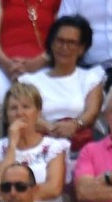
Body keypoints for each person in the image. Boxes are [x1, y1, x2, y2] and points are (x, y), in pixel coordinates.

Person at [0, 82, 68, 202]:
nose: (19, 113)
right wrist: (12, 145)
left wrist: (10, 195)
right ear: (6, 115)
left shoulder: (54, 147)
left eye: (26, 107)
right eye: (13, 108)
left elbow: (53, 189)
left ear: (38, 112)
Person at [19, 16, 106, 146]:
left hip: (83, 143)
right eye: (60, 41)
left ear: (81, 48)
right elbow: (25, 113)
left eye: (71, 43)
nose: (64, 47)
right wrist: (51, 128)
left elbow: (92, 112)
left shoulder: (91, 77)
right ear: (52, 44)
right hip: (42, 143)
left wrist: (75, 125)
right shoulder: (31, 81)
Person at [0, 0, 60, 98]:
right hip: (2, 65)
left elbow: (61, 37)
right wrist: (7, 64)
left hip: (42, 65)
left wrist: (40, 61)